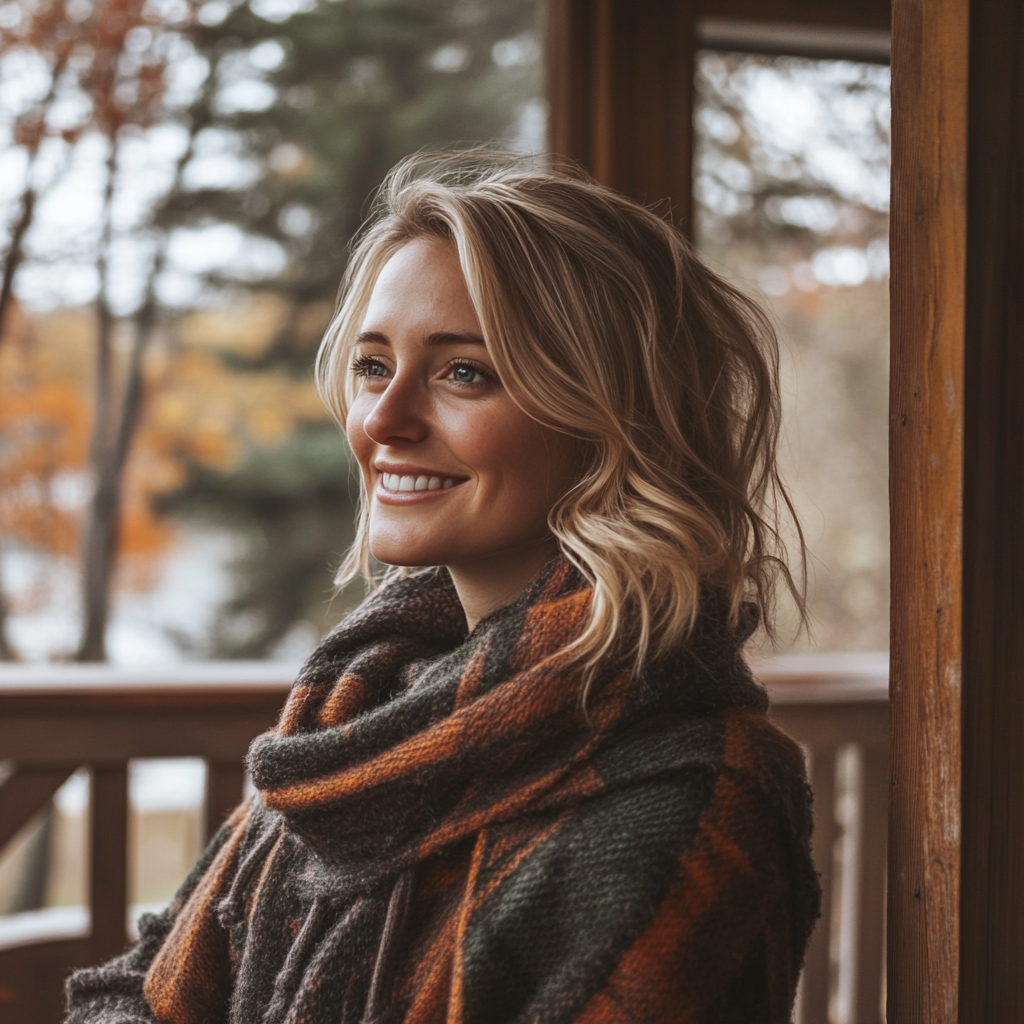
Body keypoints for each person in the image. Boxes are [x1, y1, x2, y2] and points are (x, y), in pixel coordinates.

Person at [66, 153, 820, 1024]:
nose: (383, 421)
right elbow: (135, 989)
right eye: (373, 365)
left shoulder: (694, 793)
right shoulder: (358, 717)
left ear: (612, 417)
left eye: (464, 372)